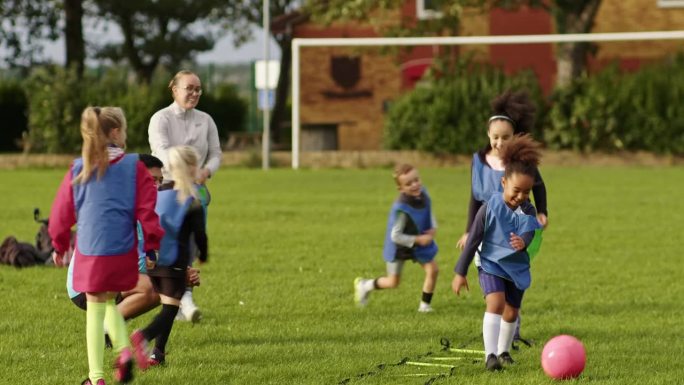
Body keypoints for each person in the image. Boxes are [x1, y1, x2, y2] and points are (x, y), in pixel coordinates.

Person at [49, 106, 165, 385]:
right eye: (123, 129)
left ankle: (96, 377)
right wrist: (151, 246)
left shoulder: (80, 167)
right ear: (115, 133)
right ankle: (124, 352)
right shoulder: (135, 167)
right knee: (109, 303)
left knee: (96, 308)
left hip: (90, 251)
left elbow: (60, 213)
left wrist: (59, 245)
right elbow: (147, 211)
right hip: (121, 251)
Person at [456, 90, 548, 345]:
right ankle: (497, 343)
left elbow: (539, 186)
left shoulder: (520, 163)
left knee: (514, 277)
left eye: (505, 137)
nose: (499, 142)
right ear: (489, 135)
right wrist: (468, 230)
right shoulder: (478, 161)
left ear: (514, 136)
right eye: (495, 137)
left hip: (517, 228)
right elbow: (475, 197)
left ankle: (510, 334)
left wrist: (541, 212)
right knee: (494, 282)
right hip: (489, 229)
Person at [451, 134, 543, 371]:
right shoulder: (488, 208)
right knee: (496, 302)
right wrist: (460, 272)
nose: (521, 196)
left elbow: (529, 232)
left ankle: (503, 351)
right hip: (490, 261)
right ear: (503, 183)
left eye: (526, 191)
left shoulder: (527, 209)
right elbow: (473, 241)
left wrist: (523, 241)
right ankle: (490, 356)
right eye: (516, 190)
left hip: (516, 265)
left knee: (512, 311)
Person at [148, 69, 220, 322]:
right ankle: (167, 296)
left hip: (195, 189)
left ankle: (184, 296)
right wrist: (183, 172)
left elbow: (216, 153)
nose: (194, 93)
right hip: (166, 188)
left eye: (198, 89)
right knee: (166, 244)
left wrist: (206, 171)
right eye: (189, 88)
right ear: (174, 89)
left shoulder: (206, 120)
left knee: (190, 242)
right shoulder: (161, 119)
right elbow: (161, 151)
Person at [131, 145, 208, 367]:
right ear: (192, 168)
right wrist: (202, 255)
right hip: (175, 262)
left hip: (154, 261)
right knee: (170, 308)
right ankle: (143, 338)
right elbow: (199, 234)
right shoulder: (192, 198)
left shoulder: (159, 194)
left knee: (167, 303)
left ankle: (158, 355)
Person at [354, 164, 439, 312]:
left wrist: (432, 227)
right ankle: (364, 285)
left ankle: (424, 306)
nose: (415, 185)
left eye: (416, 180)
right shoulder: (401, 210)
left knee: (433, 269)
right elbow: (395, 236)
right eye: (408, 183)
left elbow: (428, 211)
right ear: (401, 189)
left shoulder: (423, 194)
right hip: (399, 248)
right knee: (393, 282)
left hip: (417, 245)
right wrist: (419, 239)